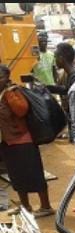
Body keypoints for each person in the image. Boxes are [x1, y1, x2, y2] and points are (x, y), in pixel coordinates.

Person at [0, 65, 54, 218]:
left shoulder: (13, 92)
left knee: (34, 174)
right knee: (16, 176)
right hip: (7, 141)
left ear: (6, 78)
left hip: (23, 140)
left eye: (0, 78)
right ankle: (25, 206)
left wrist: (9, 95)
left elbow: (21, 110)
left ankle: (46, 206)